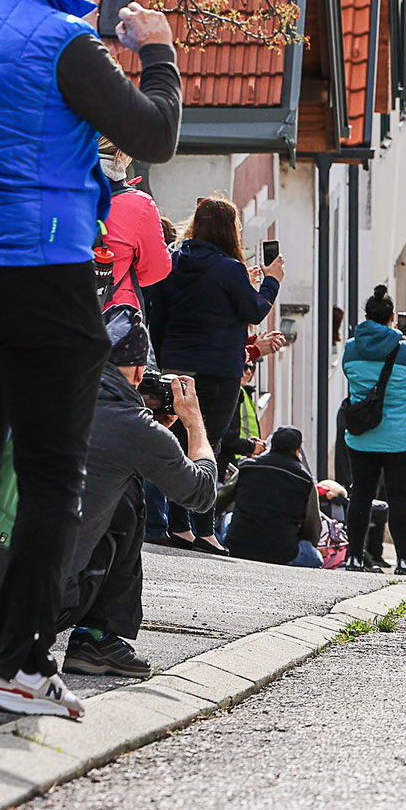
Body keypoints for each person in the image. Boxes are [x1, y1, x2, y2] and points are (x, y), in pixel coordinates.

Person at [0, 0, 186, 719]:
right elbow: (155, 134)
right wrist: (160, 52)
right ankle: (17, 663)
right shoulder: (69, 43)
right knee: (49, 474)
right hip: (44, 273)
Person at [59, 306, 217, 682]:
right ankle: (96, 638)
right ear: (139, 371)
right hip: (42, 600)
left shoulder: (49, 389)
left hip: (3, 576)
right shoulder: (131, 426)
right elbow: (200, 493)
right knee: (128, 492)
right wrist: (193, 422)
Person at [146, 194, 284, 551]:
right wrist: (271, 281)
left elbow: (158, 315)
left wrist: (162, 363)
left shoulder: (173, 260)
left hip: (175, 363)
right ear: (229, 231)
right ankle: (205, 530)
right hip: (218, 370)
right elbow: (254, 311)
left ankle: (180, 528)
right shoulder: (230, 269)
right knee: (209, 444)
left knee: (177, 444)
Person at [341, 286, 406, 574]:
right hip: (401, 438)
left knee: (360, 494)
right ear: (393, 318)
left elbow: (349, 372)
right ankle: (405, 560)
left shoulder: (351, 348)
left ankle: (354, 557)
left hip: (362, 435)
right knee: (398, 497)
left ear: (366, 316)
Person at [223, 427, 324, 568]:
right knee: (316, 558)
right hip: (283, 553)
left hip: (238, 547)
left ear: (272, 446)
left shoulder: (247, 467)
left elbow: (221, 499)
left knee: (228, 517)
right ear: (297, 450)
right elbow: (313, 526)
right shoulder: (305, 479)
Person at [98, 140, 170, 310]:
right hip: (113, 317)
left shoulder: (53, 193)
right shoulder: (140, 205)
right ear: (122, 154)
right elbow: (157, 271)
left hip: (58, 316)